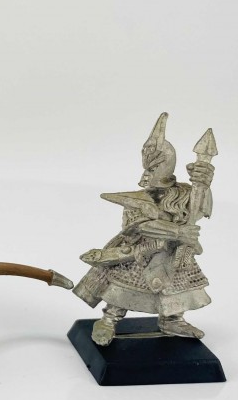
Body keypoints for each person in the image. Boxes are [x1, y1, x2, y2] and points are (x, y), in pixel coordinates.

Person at [73, 113, 215, 346]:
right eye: (148, 168)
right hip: (142, 251)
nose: (147, 174)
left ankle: (172, 320)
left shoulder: (184, 193)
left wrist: (204, 185)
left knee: (175, 287)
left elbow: (200, 210)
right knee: (124, 286)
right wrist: (178, 232)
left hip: (174, 253)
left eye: (154, 167)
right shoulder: (138, 199)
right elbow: (141, 225)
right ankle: (109, 320)